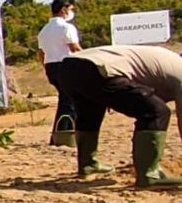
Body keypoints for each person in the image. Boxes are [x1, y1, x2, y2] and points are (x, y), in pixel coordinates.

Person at [56, 44, 182, 187]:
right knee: (157, 111)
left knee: (90, 112)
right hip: (100, 70)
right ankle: (150, 175)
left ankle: (88, 165)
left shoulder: (168, 61)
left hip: (68, 67)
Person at [37, 0, 82, 145]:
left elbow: (41, 53)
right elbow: (74, 48)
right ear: (63, 10)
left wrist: (46, 67)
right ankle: (64, 135)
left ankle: (59, 135)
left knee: (65, 99)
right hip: (66, 65)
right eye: (70, 9)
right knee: (69, 101)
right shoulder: (66, 27)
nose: (71, 12)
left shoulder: (44, 30)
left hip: (51, 66)